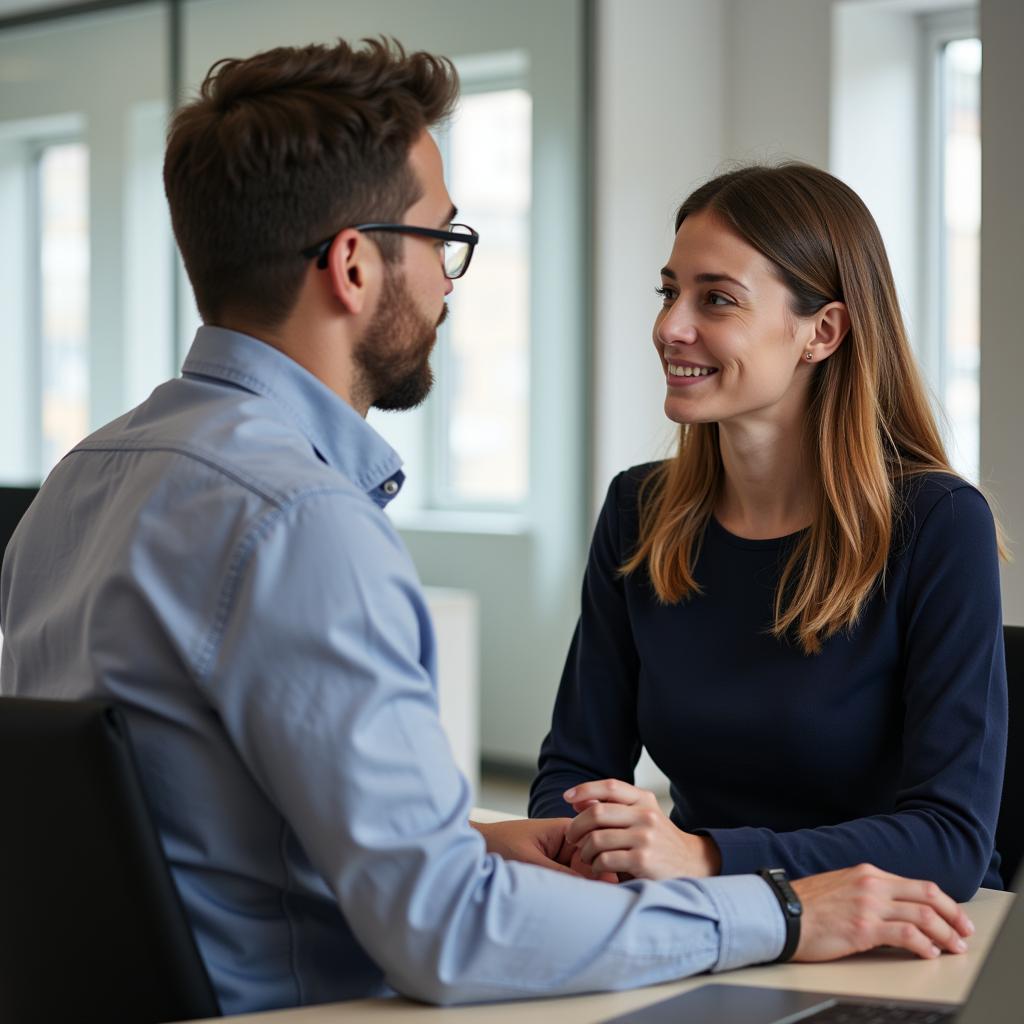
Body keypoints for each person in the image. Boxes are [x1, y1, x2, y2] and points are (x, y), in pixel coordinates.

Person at [0, 40, 976, 1016]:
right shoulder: (303, 521)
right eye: (440, 239)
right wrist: (772, 905)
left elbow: (212, 825)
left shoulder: (80, 483)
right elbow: (452, 933)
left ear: (825, 331)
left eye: (712, 298)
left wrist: (475, 838)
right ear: (352, 264)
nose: (449, 281)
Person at [529, 164, 1008, 904]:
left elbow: (949, 840)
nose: (669, 327)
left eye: (715, 299)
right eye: (669, 293)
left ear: (822, 331)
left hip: (903, 939)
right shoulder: (638, 509)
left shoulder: (939, 523)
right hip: (706, 915)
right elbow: (571, 772)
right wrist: (597, 839)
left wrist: (708, 857)